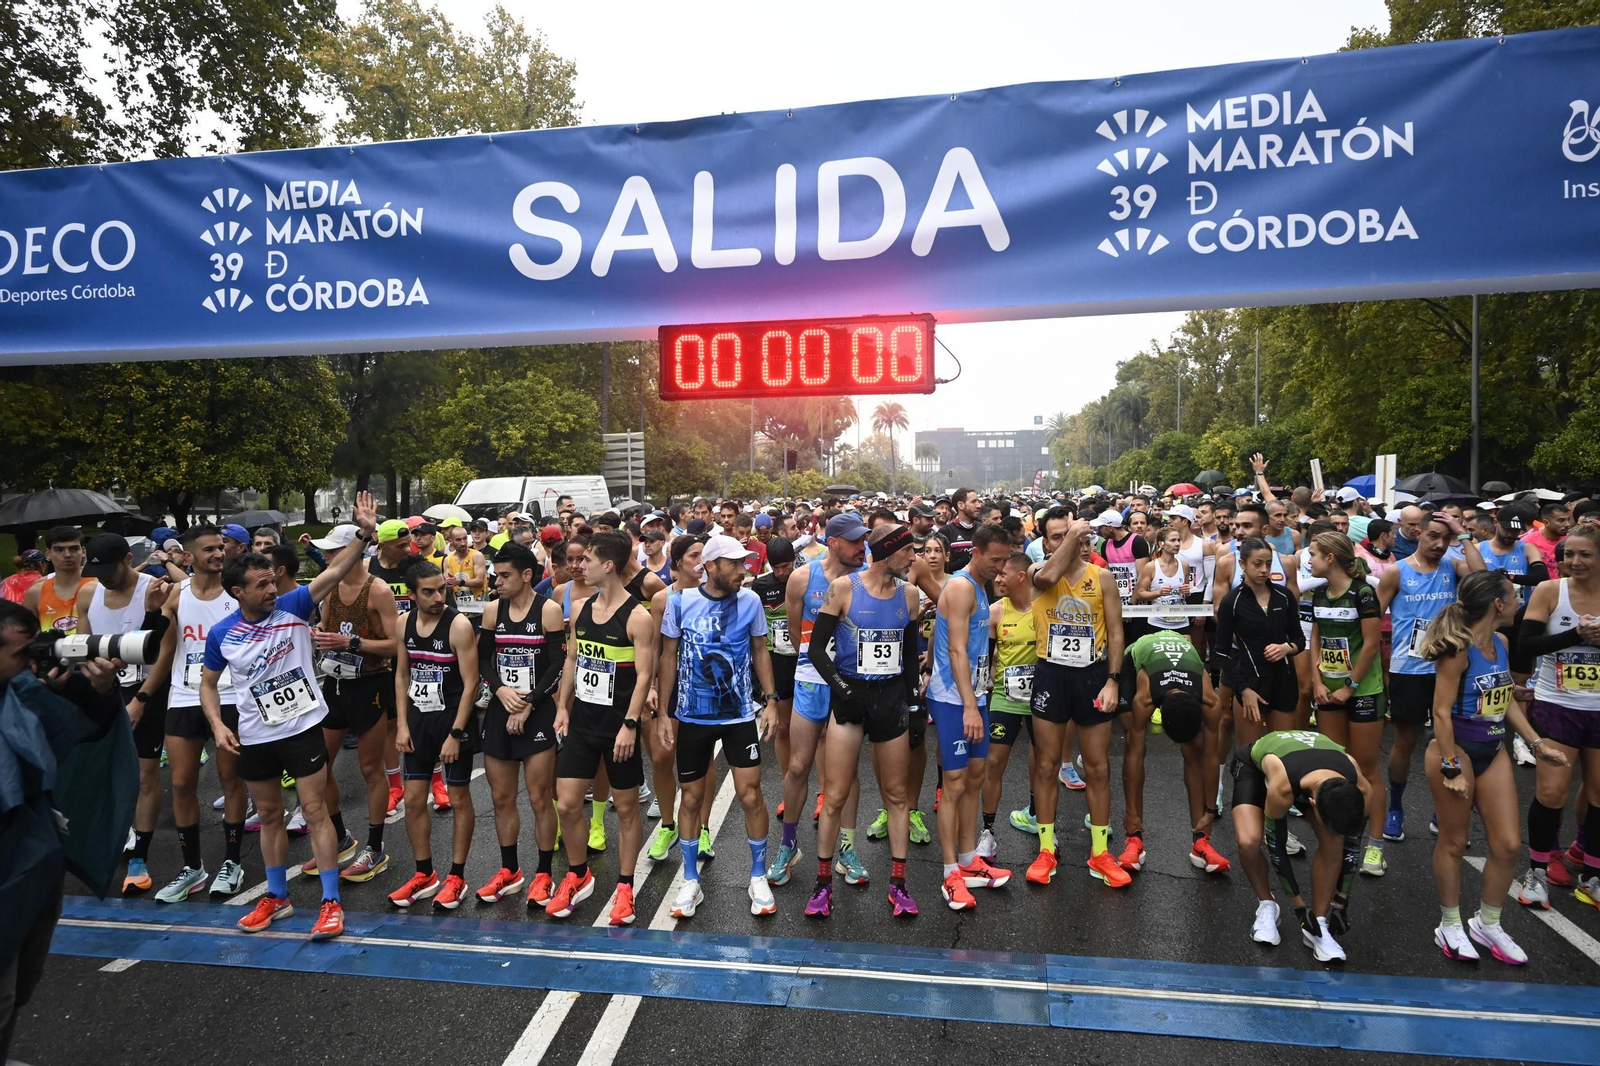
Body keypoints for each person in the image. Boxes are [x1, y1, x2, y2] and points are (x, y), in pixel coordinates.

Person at [204, 491, 380, 940]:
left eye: (271, 581)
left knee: (316, 811)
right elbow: (207, 684)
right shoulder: (223, 633)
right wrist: (218, 725)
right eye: (260, 585)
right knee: (268, 814)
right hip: (255, 732)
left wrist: (363, 532)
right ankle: (277, 897)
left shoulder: (295, 606)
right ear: (237, 592)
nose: (270, 589)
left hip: (302, 726)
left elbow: (338, 569)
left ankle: (330, 902)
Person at [0, 601, 127, 1061]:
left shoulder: (22, 690)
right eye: (21, 653)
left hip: (32, 857)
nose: (33, 661)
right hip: (10, 861)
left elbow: (84, 731)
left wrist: (96, 688)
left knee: (22, 985)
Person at [1421, 570, 1565, 964]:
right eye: (1514, 596)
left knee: (1507, 844)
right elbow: (1440, 711)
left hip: (1493, 746)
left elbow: (1507, 702)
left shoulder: (1500, 642)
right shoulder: (1457, 649)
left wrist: (1536, 744)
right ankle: (1449, 924)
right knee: (1453, 841)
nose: (1520, 600)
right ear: (1498, 604)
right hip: (1456, 750)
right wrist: (1451, 766)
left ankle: (1487, 922)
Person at [804, 524, 922, 918]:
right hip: (851, 695)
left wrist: (915, 707)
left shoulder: (910, 594)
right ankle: (822, 885)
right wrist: (843, 690)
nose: (914, 558)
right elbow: (817, 650)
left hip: (890, 699)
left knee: (897, 796)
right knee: (834, 796)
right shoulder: (844, 588)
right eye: (908, 551)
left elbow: (907, 660)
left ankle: (899, 885)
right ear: (888, 552)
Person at [659, 534, 780, 919]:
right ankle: (690, 880)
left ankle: (758, 874)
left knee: (750, 795)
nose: (744, 570)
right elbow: (667, 656)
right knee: (691, 799)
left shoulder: (751, 601)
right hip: (693, 716)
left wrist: (772, 702)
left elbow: (761, 650)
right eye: (735, 564)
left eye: (744, 563)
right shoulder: (679, 602)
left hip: (740, 715)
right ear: (710, 566)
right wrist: (664, 712)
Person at [547, 531, 657, 924]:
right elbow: (573, 661)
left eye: (587, 560)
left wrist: (630, 725)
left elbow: (645, 676)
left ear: (607, 565)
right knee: (569, 803)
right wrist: (562, 706)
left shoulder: (638, 617)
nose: (580, 566)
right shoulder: (578, 608)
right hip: (582, 723)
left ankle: (625, 886)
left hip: (618, 728)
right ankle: (578, 875)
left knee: (627, 810)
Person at [1024, 508, 1126, 888]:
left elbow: (1116, 633)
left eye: (1079, 538)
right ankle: (1046, 849)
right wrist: (1070, 537)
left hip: (1093, 677)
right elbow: (1050, 573)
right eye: (1057, 536)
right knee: (1047, 766)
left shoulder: (1102, 577)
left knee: (1097, 767)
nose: (1073, 543)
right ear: (1045, 542)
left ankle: (1100, 852)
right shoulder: (1038, 575)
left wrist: (1113, 680)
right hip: (1051, 673)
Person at [153, 523, 250, 901]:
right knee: (180, 784)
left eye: (220, 547)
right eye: (208, 549)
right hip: (183, 695)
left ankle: (232, 862)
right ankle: (192, 868)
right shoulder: (175, 595)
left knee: (230, 780)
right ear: (189, 557)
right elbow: (161, 648)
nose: (217, 554)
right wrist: (145, 696)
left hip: (229, 696)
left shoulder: (236, 595)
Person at [770, 514, 869, 888]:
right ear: (833, 542)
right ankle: (788, 844)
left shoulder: (866, 578)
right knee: (798, 766)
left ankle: (847, 848)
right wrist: (819, 667)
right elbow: (797, 636)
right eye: (856, 540)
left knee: (847, 772)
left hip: (851, 680)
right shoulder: (802, 576)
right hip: (812, 680)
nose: (863, 547)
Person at [1376, 512, 1484, 842]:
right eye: (1433, 536)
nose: (1440, 544)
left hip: (1449, 668)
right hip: (1409, 669)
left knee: (1451, 740)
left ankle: (1444, 807)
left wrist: (1461, 533)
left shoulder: (1453, 565)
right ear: (1417, 533)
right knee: (1406, 741)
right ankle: (1395, 807)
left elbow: (1483, 580)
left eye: (1445, 538)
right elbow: (1374, 618)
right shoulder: (1397, 571)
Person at [74, 535, 171, 894]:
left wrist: (141, 700)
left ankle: (139, 858)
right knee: (102, 772)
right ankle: (116, 837)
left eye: (109, 570)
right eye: (95, 570)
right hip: (106, 690)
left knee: (145, 775)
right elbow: (84, 649)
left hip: (147, 691)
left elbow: (164, 651)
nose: (102, 578)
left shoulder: (158, 589)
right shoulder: (88, 594)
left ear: (129, 559)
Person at [384, 561, 481, 909]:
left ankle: (457, 876)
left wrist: (456, 733)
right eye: (428, 592)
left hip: (453, 721)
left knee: (458, 800)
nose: (439, 596)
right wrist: (402, 725)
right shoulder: (402, 623)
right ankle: (424, 873)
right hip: (418, 722)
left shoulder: (457, 626)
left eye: (441, 589)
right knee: (412, 800)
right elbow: (401, 675)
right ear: (411, 594)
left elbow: (472, 683)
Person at [928, 522, 1014, 909]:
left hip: (975, 693)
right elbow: (958, 650)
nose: (1001, 567)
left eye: (1005, 559)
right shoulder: (962, 587)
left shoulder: (980, 586)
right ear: (976, 552)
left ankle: (967, 861)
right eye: (995, 559)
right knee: (956, 781)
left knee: (975, 778)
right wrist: (968, 705)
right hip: (952, 698)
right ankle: (949, 874)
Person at [307, 524, 399, 884]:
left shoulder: (377, 589)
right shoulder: (329, 586)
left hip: (370, 685)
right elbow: (325, 627)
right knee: (319, 766)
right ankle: (341, 836)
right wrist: (317, 635)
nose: (327, 557)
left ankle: (375, 848)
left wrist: (352, 644)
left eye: (332, 551)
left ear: (352, 551)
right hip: (335, 684)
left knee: (370, 768)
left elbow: (396, 644)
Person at [1228, 729, 1368, 963]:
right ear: (1312, 805)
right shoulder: (1282, 788)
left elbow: (1352, 845)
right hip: (1259, 765)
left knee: (1334, 841)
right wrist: (1299, 908)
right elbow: (1276, 846)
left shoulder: (1362, 789)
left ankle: (1319, 924)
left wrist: (1341, 902)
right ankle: (1267, 905)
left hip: (1311, 770)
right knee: (1248, 841)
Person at [475, 543, 564, 908]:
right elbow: (483, 660)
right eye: (496, 574)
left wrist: (528, 703)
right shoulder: (493, 610)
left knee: (541, 797)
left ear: (527, 575)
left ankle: (544, 873)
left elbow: (556, 667)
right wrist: (500, 691)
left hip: (537, 710)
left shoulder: (549, 610)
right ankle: (510, 870)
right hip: (501, 708)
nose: (497, 581)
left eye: (505, 575)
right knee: (501, 798)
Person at [1518, 523, 1600, 909]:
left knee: (1599, 793)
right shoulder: (1552, 591)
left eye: (1585, 554)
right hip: (1558, 703)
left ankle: (1592, 876)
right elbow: (1527, 644)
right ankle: (1535, 873)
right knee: (1552, 792)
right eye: (1569, 555)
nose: (1575, 562)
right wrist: (1575, 637)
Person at [1306, 532, 1389, 877]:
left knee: (1366, 769)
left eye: (1313, 554)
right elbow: (1316, 636)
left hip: (1363, 690)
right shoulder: (1319, 592)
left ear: (1330, 557)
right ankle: (1340, 834)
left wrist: (1351, 687)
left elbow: (1371, 645)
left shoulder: (1363, 592)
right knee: (1338, 765)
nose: (1308, 560)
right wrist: (1316, 680)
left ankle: (1375, 845)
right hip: (1329, 689)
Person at [1122, 628, 1230, 872]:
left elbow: (1211, 759)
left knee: (1195, 753)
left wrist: (1211, 810)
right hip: (1138, 655)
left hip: (1183, 656)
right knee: (1132, 739)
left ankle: (1201, 840)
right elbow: (1135, 757)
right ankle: (1134, 837)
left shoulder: (1210, 701)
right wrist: (1130, 813)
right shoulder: (1146, 697)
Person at [979, 551, 1036, 860]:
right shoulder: (996, 611)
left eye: (1003, 574)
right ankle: (987, 831)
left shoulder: (1043, 609)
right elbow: (984, 657)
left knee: (1043, 763)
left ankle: (1040, 819)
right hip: (1005, 695)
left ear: (1021, 577)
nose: (997, 578)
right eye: (996, 573)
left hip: (1042, 697)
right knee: (993, 762)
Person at [24, 526, 94, 635]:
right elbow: (28, 636)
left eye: (74, 549)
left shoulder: (99, 587)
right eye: (59, 550)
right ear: (48, 554)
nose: (67, 555)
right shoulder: (35, 593)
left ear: (83, 551)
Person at [1480, 507, 1547, 608]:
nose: (1510, 534)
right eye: (1507, 529)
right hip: (1488, 613)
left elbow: (1542, 577)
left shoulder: (1528, 549)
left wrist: (1511, 577)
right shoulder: (1478, 549)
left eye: (1515, 530)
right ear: (1495, 522)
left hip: (1519, 612)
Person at [443, 524, 489, 612]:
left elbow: (479, 581)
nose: (463, 543)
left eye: (465, 538)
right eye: (458, 540)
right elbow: (448, 585)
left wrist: (459, 582)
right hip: (459, 608)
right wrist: (447, 584)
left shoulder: (477, 555)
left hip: (478, 608)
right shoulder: (447, 560)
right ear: (451, 541)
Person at [935, 487, 980, 574]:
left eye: (978, 501)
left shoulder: (983, 530)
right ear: (961, 505)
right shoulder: (945, 532)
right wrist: (971, 556)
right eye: (974, 502)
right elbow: (943, 568)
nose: (978, 505)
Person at [1522, 500, 1571, 573]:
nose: (1567, 524)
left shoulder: (1572, 540)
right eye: (1561, 520)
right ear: (1546, 522)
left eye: (1568, 520)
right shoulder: (1528, 542)